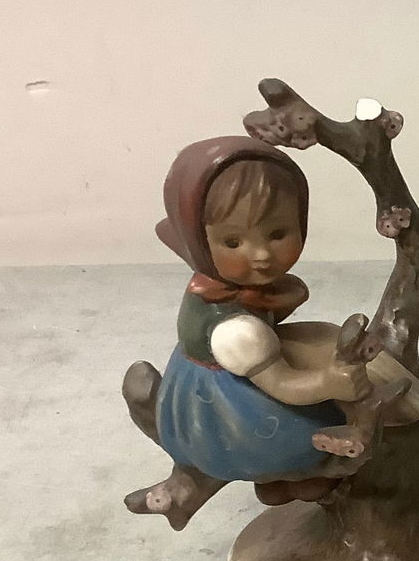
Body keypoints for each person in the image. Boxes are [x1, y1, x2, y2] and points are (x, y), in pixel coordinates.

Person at [123, 137, 371, 528]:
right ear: (198, 241)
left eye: (277, 233)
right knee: (308, 429)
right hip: (231, 413)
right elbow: (284, 385)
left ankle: (281, 484)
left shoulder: (222, 292)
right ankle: (291, 477)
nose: (261, 255)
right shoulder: (237, 331)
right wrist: (329, 381)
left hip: (201, 389)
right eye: (233, 241)